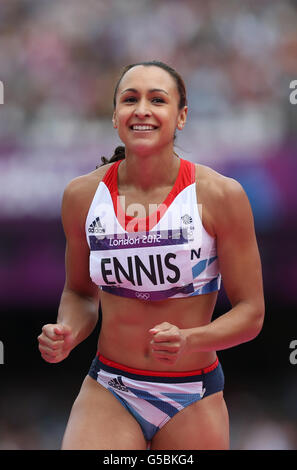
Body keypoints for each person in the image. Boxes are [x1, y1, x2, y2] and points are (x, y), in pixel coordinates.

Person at [38, 61, 265, 450]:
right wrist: (68, 331)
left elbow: (251, 313)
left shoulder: (221, 195)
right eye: (130, 99)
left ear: (181, 116)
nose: (141, 108)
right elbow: (79, 293)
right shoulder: (81, 197)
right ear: (115, 116)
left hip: (192, 394)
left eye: (157, 99)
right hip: (111, 389)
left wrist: (190, 340)